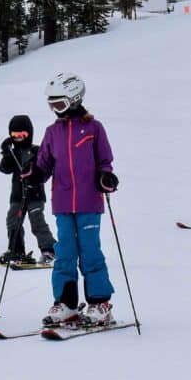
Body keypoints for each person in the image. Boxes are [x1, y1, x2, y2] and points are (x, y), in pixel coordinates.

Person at [35, 72, 119, 327]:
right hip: (62, 203)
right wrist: (33, 175)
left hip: (89, 202)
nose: (55, 110)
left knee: (90, 252)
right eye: (52, 105)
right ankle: (67, 304)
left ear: (74, 99)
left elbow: (105, 161)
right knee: (65, 255)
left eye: (59, 104)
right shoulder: (52, 132)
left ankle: (99, 304)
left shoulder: (94, 128)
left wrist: (106, 177)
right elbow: (44, 165)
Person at [0, 115, 56, 265]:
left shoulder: (36, 150)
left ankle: (49, 249)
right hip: (17, 195)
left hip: (34, 194)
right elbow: (4, 169)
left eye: (22, 135)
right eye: (15, 135)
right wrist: (7, 152)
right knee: (13, 221)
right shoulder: (13, 153)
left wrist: (33, 168)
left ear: (29, 133)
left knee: (37, 221)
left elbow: (43, 167)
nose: (19, 138)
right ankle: (16, 251)